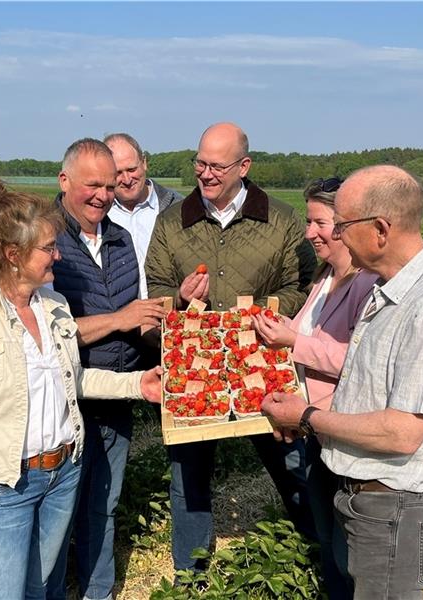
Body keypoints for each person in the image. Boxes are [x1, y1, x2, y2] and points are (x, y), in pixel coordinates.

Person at [0, 174, 162, 600]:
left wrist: (137, 384)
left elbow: (73, 379)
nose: (58, 257)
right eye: (48, 248)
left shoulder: (55, 306)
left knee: (43, 584)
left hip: (63, 472)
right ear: (13, 255)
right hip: (3, 484)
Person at [261, 165, 423, 599]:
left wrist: (307, 414)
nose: (336, 236)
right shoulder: (388, 290)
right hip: (367, 495)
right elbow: (362, 384)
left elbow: (402, 434)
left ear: (380, 229)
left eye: (342, 225)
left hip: (395, 503)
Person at [145, 122, 318, 574]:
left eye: (216, 165)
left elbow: (301, 286)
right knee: (188, 474)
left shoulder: (279, 219)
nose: (205, 173)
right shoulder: (172, 221)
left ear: (244, 166)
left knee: (290, 460)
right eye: (200, 163)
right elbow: (156, 287)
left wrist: (260, 314)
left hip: (260, 361)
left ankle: (318, 555)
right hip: (195, 367)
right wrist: (179, 296)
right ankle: (192, 574)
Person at [49, 138, 167, 600]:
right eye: (91, 185)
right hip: (63, 400)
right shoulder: (46, 241)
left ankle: (98, 590)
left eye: (110, 185)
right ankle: (53, 590)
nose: (102, 195)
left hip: (116, 394)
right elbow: (44, 335)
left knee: (104, 502)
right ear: (65, 181)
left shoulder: (119, 239)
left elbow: (135, 313)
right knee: (59, 505)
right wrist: (120, 319)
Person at [252, 176, 378, 600]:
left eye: (318, 222)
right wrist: (280, 328)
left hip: (341, 426)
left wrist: (295, 343)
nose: (310, 233)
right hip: (311, 426)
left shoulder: (367, 285)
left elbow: (358, 361)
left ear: (345, 225)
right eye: (309, 222)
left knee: (346, 547)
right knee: (326, 536)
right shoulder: (324, 278)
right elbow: (310, 333)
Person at [104, 132, 183, 300]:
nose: (127, 179)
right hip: (119, 318)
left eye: (132, 169)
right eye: (118, 173)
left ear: (144, 162)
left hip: (168, 314)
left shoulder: (177, 207)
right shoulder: (98, 213)